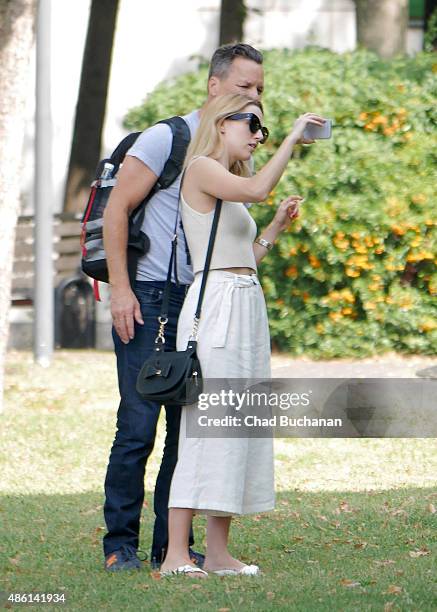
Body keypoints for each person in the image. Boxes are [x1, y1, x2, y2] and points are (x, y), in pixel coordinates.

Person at [102, 44, 267, 572]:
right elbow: (117, 212)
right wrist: (121, 290)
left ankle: (170, 548)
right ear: (215, 85)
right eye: (244, 86)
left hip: (197, 296)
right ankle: (119, 546)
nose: (254, 96)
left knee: (188, 426)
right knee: (138, 422)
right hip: (149, 294)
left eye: (260, 89)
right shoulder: (166, 138)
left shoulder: (227, 151)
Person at [159, 93, 325, 578]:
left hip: (243, 299)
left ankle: (218, 553)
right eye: (252, 125)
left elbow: (243, 256)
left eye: (265, 130)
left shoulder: (224, 179)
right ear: (222, 122)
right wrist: (293, 138)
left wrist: (273, 228)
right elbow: (255, 189)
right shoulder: (202, 168)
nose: (257, 135)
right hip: (216, 306)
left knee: (236, 423)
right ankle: (175, 556)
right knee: (204, 424)